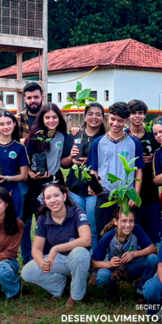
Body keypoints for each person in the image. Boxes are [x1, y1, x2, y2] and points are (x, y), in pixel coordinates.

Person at [21, 182, 92, 309]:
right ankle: (60, 285)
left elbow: (86, 240)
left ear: (64, 196)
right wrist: (42, 262)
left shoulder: (77, 212)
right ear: (44, 201)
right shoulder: (43, 218)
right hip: (59, 259)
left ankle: (76, 296)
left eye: (56, 195)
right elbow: (36, 248)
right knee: (27, 272)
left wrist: (56, 248)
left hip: (80, 259)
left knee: (79, 253)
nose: (53, 200)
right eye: (48, 197)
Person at [87, 102, 144, 237]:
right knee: (104, 233)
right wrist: (93, 185)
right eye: (113, 119)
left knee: (126, 232)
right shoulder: (98, 143)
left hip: (126, 196)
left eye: (120, 121)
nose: (116, 124)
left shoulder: (134, 143)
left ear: (126, 121)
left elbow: (138, 170)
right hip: (105, 195)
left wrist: (136, 194)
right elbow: (94, 169)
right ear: (108, 117)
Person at [22, 104, 68, 264]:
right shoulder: (35, 136)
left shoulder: (63, 135)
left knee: (56, 217)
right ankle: (33, 257)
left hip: (55, 180)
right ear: (42, 119)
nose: (51, 120)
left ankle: (54, 256)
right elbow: (24, 159)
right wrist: (30, 173)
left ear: (59, 118)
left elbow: (65, 157)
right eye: (47, 117)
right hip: (37, 183)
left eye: (54, 117)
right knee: (39, 218)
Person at [61, 102, 106, 252]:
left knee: (92, 228)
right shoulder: (74, 136)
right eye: (90, 114)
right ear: (85, 117)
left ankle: (94, 260)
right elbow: (64, 163)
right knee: (77, 227)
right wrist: (71, 158)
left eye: (98, 114)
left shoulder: (105, 138)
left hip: (94, 190)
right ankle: (79, 257)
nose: (94, 117)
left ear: (103, 118)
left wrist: (91, 162)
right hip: (75, 189)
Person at [91, 205, 158, 297]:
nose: (128, 225)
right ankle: (112, 289)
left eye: (131, 221)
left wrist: (134, 254)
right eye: (124, 221)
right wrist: (109, 264)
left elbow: (153, 248)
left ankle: (140, 289)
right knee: (103, 277)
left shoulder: (136, 230)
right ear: (115, 222)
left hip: (131, 267)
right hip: (112, 270)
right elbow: (93, 263)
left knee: (153, 259)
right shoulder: (108, 236)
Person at [127, 99, 162, 244]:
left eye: (140, 113)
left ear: (145, 115)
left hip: (150, 186)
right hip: (130, 187)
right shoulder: (124, 136)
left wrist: (153, 158)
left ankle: (152, 251)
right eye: (133, 113)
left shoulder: (153, 137)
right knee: (133, 224)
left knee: (152, 225)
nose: (137, 116)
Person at [17, 82, 45, 214]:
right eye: (29, 98)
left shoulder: (49, 118)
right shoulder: (18, 119)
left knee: (44, 213)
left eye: (36, 97)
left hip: (45, 174)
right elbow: (11, 145)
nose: (33, 100)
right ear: (25, 100)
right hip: (23, 175)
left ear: (42, 98)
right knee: (23, 215)